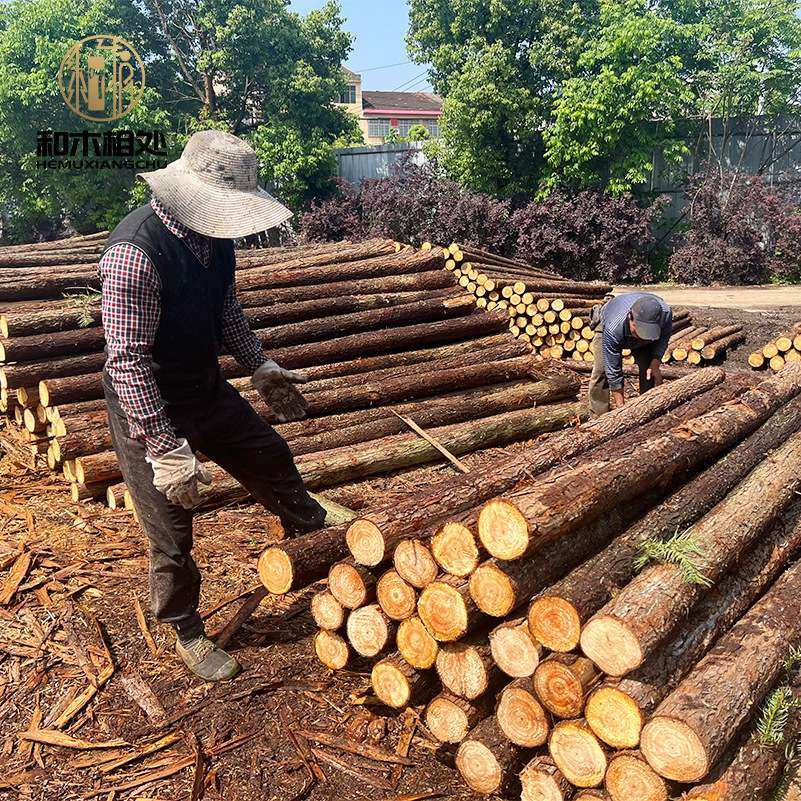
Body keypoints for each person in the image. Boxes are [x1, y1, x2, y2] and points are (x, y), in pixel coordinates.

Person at [99, 130, 327, 681]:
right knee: (172, 533)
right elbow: (127, 362)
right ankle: (186, 630)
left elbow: (225, 308)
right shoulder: (135, 254)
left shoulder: (212, 238)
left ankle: (316, 539)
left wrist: (259, 364)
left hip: (202, 386)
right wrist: (165, 447)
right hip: (146, 404)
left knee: (270, 455)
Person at [588, 292, 673, 416]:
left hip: (641, 321)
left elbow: (664, 338)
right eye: (639, 330)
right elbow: (613, 370)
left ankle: (647, 409)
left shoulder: (665, 313)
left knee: (648, 368)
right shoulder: (613, 327)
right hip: (609, 322)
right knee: (602, 371)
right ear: (630, 317)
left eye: (647, 332)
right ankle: (598, 417)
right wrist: (621, 410)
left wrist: (655, 362)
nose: (641, 335)